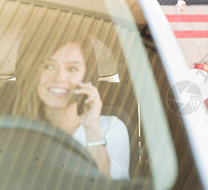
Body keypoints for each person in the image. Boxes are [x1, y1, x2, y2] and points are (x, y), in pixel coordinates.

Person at [12, 27, 130, 180]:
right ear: (36, 74)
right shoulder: (15, 130)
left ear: (86, 78)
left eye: (72, 69)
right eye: (49, 66)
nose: (60, 78)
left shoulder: (110, 128)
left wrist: (92, 130)